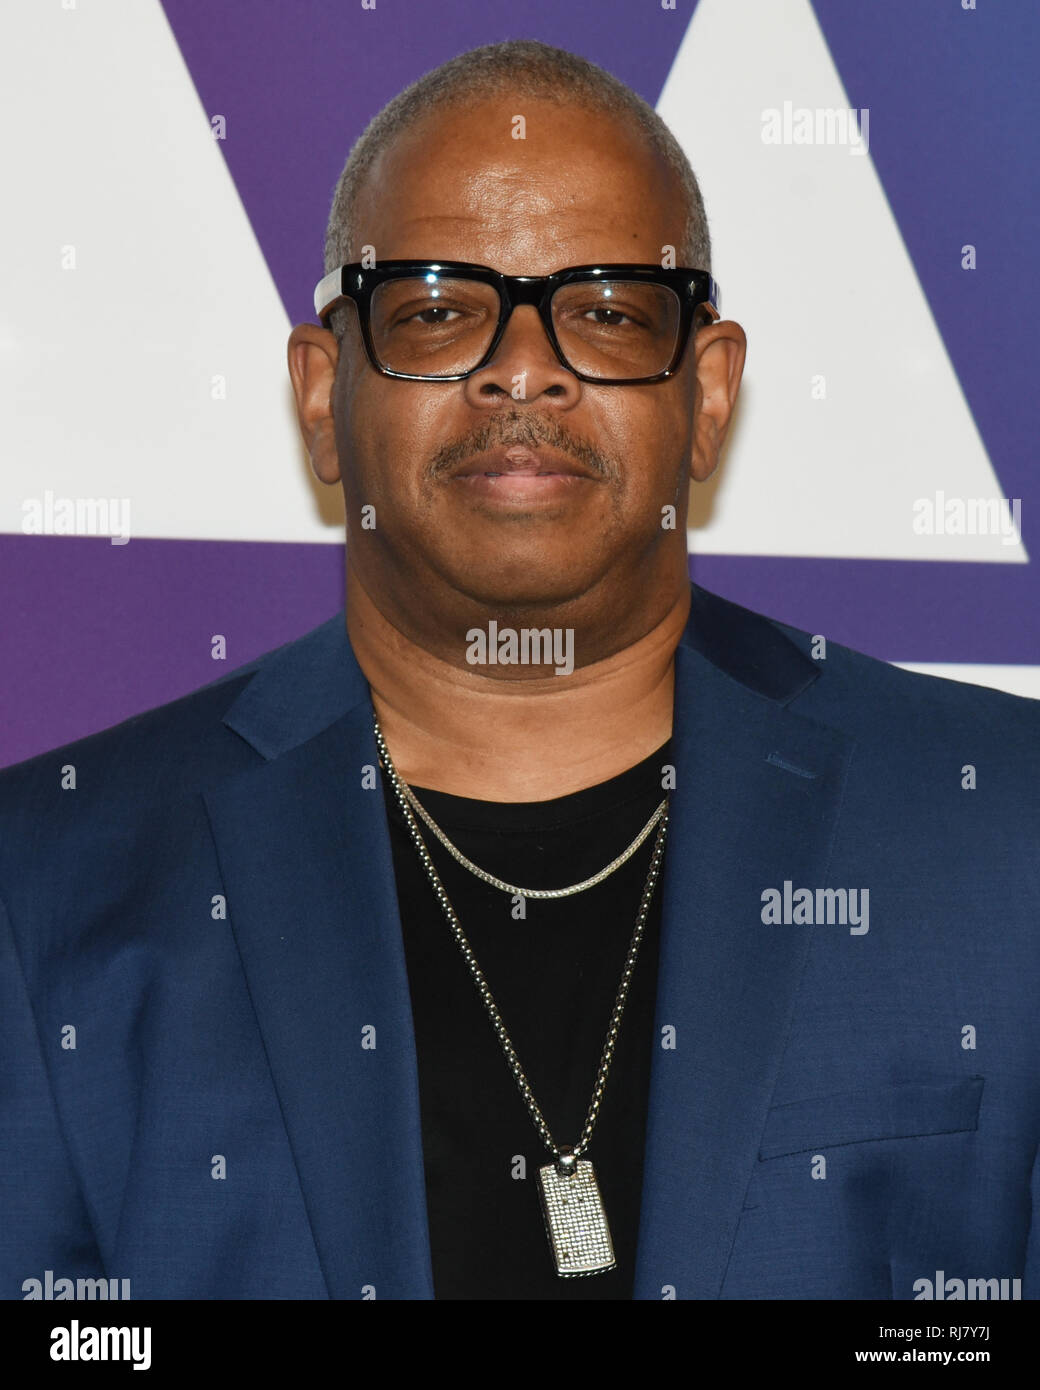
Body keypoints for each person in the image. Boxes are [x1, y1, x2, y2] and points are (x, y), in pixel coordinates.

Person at [2, 38, 1038, 1303]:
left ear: (706, 397)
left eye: (604, 309)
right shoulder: (44, 885)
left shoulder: (999, 826)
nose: (520, 369)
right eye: (437, 307)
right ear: (323, 396)